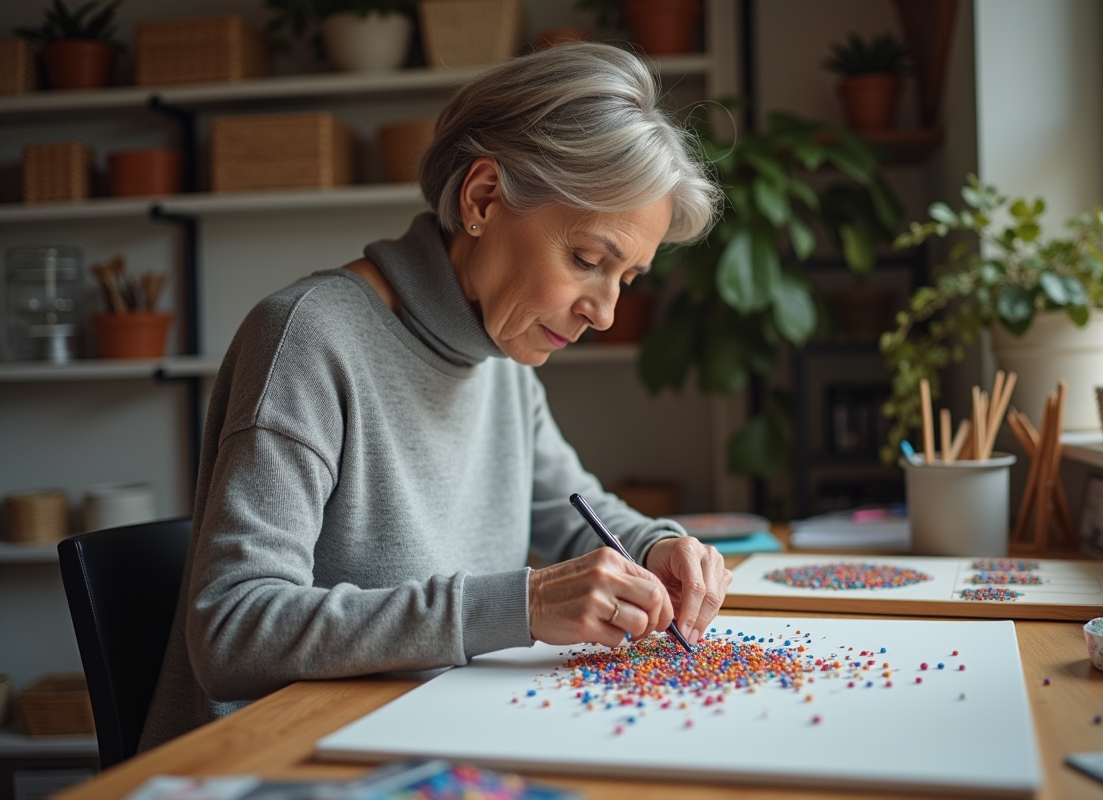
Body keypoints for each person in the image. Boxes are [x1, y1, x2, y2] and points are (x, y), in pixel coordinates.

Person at [140, 42, 730, 751]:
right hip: (276, 762)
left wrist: (656, 545)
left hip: (426, 738)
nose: (603, 313)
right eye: (586, 261)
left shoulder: (503, 353)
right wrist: (523, 604)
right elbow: (233, 631)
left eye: (625, 279)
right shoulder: (309, 338)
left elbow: (571, 510)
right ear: (482, 198)